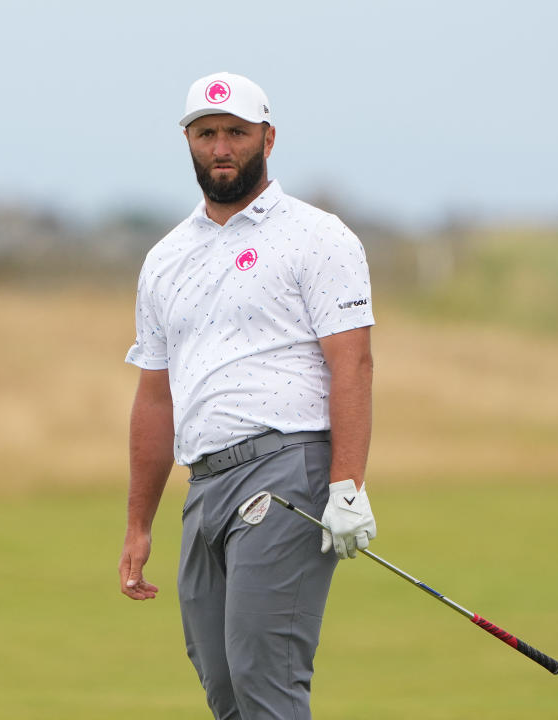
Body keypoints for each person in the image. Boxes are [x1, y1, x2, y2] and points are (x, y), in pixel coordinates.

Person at [119, 71, 377, 720]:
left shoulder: (319, 237)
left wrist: (347, 486)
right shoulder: (166, 258)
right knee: (225, 690)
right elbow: (155, 398)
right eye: (206, 134)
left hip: (287, 473)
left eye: (236, 132)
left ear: (267, 137)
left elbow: (352, 364)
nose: (221, 147)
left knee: (265, 680)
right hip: (204, 484)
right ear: (188, 143)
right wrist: (138, 524)